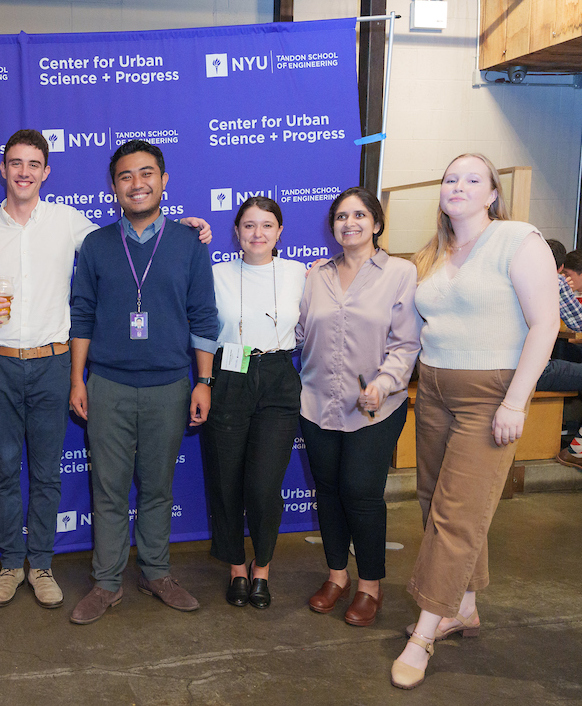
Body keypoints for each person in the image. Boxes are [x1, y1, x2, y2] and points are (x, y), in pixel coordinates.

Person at [0, 129, 211, 609]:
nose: (24, 172)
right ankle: (28, 566)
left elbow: (182, 293)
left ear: (46, 171)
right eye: (16, 163)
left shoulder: (75, 225)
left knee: (84, 477)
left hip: (81, 368)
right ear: (3, 169)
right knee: (12, 472)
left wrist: (191, 229)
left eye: (34, 164)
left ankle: (62, 565)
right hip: (10, 365)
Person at [391, 154, 559, 689]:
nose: (457, 185)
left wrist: (515, 401)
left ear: (491, 194)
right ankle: (462, 606)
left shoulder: (518, 239)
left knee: (457, 515)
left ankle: (423, 631)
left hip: (490, 394)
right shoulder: (435, 253)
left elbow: (546, 323)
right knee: (433, 499)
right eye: (449, 177)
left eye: (472, 178)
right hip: (435, 387)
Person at [68, 140, 218, 624]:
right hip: (108, 383)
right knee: (108, 489)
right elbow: (82, 316)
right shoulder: (95, 245)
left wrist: (203, 380)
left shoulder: (187, 243)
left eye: (147, 173)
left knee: (157, 487)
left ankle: (156, 572)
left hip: (170, 385)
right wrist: (78, 378)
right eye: (127, 176)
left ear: (164, 180)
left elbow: (202, 315)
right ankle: (106, 582)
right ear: (114, 187)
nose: (138, 183)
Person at [297, 187, 420, 626]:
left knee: (361, 494)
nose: (350, 223)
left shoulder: (401, 273)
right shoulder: (315, 276)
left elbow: (407, 342)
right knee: (327, 492)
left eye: (359, 215)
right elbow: (297, 332)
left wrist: (385, 383)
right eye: (341, 217)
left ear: (377, 223)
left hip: (375, 408)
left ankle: (370, 585)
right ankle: (336, 577)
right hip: (315, 403)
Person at [201, 197, 306, 610]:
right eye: (248, 226)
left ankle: (262, 567)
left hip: (279, 378)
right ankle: (236, 569)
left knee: (263, 485)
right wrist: (205, 381)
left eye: (266, 226)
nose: (257, 233)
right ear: (237, 233)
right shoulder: (216, 275)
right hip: (230, 374)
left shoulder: (302, 274)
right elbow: (204, 333)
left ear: (280, 232)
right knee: (226, 481)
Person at [535, 238, 582, 469]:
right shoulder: (555, 280)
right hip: (533, 369)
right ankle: (577, 451)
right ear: (562, 268)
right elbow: (578, 322)